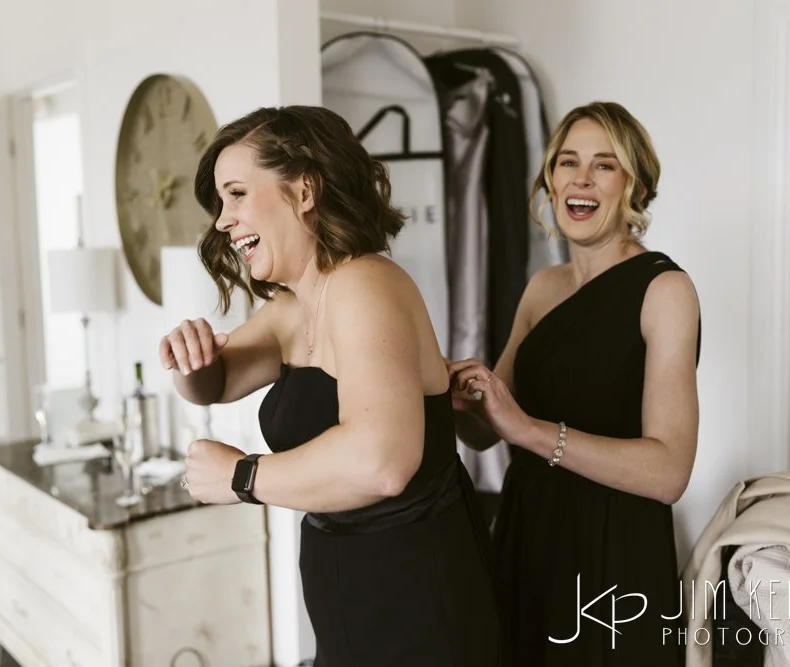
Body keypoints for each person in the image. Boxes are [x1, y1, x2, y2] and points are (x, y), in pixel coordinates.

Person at [160, 105, 502, 667]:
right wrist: (189, 358)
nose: (222, 221)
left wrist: (242, 477)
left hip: (419, 602)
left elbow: (381, 463)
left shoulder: (366, 284)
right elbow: (215, 383)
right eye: (221, 202)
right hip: (349, 597)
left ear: (304, 191)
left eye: (237, 194)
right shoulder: (292, 308)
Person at [448, 101, 701, 666]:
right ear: (551, 180)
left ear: (635, 187)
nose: (581, 178)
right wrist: (449, 393)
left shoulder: (665, 291)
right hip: (529, 538)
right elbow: (485, 432)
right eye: (568, 162)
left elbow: (669, 473)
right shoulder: (542, 287)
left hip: (614, 553)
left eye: (604, 165)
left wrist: (530, 432)